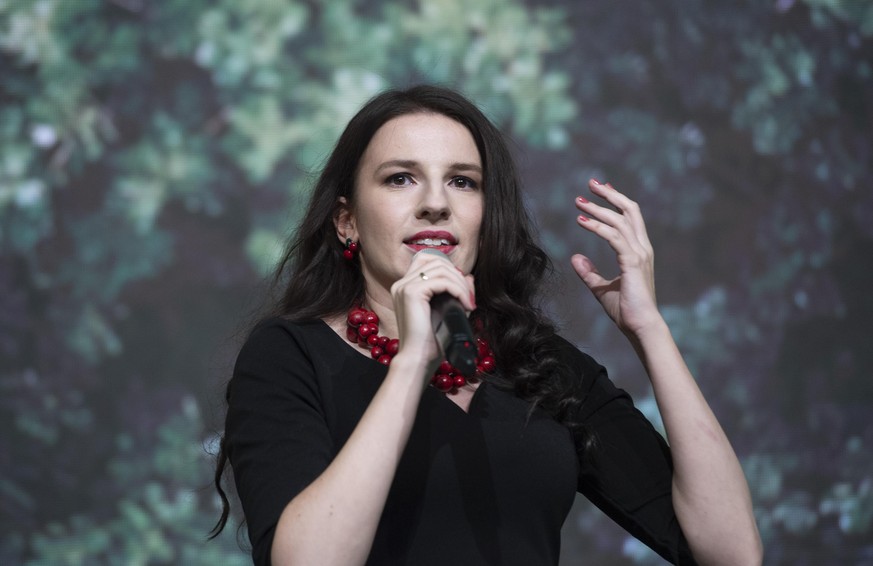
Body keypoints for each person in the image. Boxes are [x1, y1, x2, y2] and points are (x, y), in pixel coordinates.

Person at [211, 85, 762, 565]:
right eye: (401, 179)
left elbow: (732, 552)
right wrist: (411, 366)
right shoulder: (291, 355)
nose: (435, 204)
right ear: (347, 219)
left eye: (462, 182)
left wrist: (650, 331)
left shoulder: (538, 363)